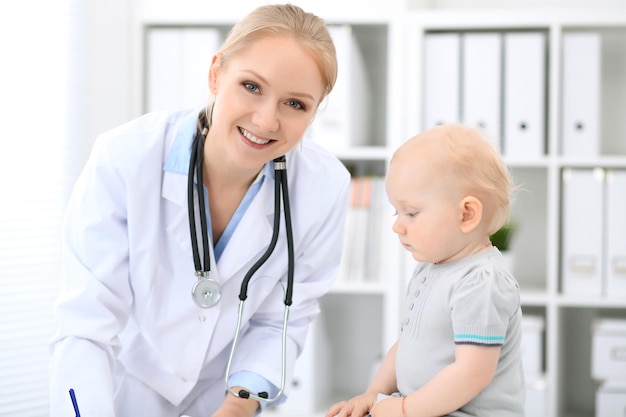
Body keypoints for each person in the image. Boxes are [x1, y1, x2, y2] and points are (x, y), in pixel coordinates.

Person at [49, 4, 350, 417]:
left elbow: (282, 320)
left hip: (226, 397)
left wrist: (240, 404)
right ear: (215, 74)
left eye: (295, 104)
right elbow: (86, 328)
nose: (266, 120)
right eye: (252, 86)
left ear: (315, 111)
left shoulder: (324, 186)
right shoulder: (125, 157)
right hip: (119, 391)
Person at [326, 124, 525, 417]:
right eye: (396, 212)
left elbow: (471, 373)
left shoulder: (482, 282)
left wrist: (405, 409)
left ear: (466, 214)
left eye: (411, 213)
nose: (397, 225)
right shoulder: (431, 270)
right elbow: (408, 343)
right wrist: (373, 394)